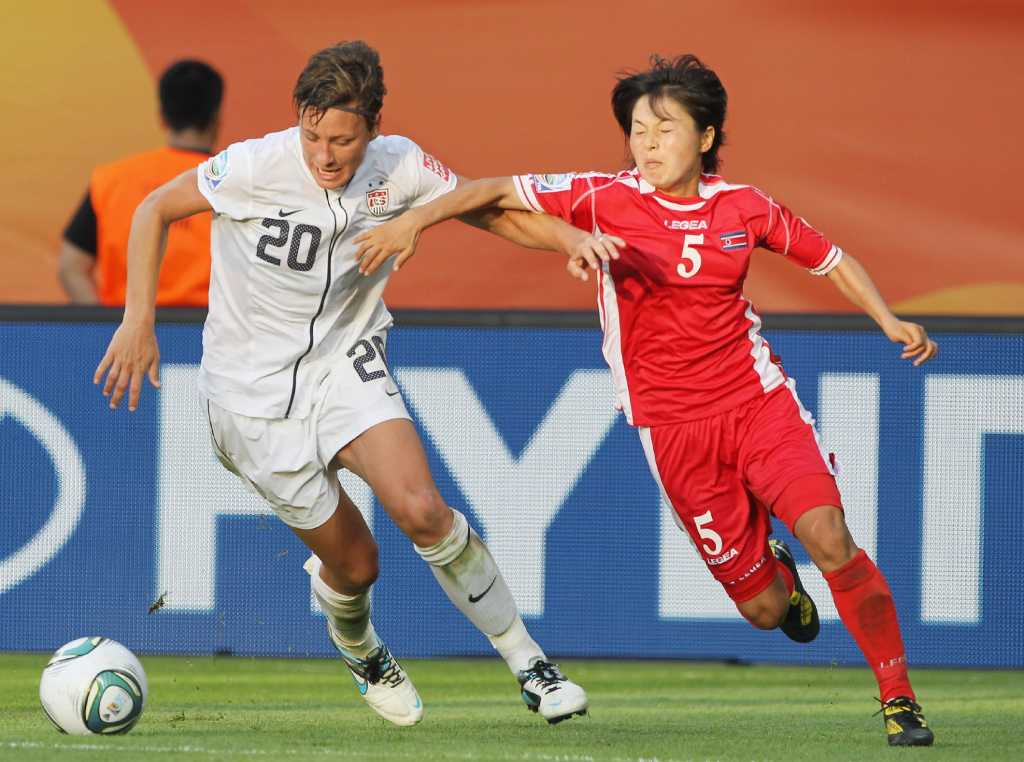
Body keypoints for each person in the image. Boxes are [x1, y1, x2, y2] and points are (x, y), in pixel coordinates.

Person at [354, 54, 939, 747]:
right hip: (675, 432)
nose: (648, 145)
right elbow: (491, 190)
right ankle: (779, 572)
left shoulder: (743, 207)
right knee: (763, 610)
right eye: (638, 131)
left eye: (665, 130)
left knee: (831, 535)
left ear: (707, 137)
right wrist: (415, 223)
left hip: (758, 404)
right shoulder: (604, 197)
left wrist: (887, 319)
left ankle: (899, 698)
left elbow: (831, 259)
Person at [93, 41, 591, 727]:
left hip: (345, 362)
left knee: (422, 509)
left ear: (374, 128)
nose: (325, 156)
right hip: (249, 398)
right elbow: (154, 209)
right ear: (299, 118)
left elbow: (490, 210)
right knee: (358, 567)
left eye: (343, 141)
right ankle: (361, 649)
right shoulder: (254, 164)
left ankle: (530, 664)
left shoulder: (400, 166)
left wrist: (571, 241)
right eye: (314, 136)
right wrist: (137, 320)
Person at [59, 59, 223, 306]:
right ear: (216, 118)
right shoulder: (235, 182)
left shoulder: (111, 179)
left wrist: (103, 322)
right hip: (207, 327)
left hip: (129, 325)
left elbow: (71, 267)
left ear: (162, 117)